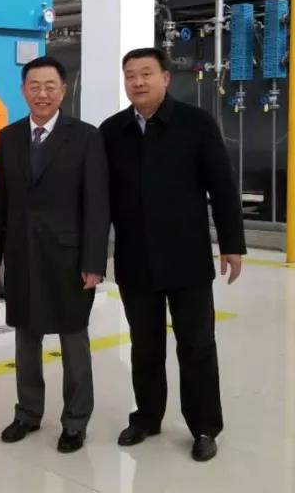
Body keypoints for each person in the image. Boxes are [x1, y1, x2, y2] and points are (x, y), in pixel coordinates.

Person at [99, 47, 245, 463]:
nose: (138, 82)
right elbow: (100, 198)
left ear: (165, 78)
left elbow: (222, 186)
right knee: (144, 345)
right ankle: (147, 417)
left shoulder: (196, 125)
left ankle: (204, 426)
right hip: (135, 258)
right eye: (130, 75)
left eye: (146, 73)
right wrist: (94, 254)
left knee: (196, 345)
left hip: (187, 258)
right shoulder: (112, 131)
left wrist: (232, 244)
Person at [0, 55, 110, 454]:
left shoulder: (85, 137)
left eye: (50, 86)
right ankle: (28, 412)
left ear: (63, 90)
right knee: (26, 337)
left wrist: (94, 261)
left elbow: (97, 205)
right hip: (22, 254)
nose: (42, 94)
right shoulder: (9, 137)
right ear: (23, 90)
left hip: (69, 257)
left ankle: (76, 420)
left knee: (73, 339)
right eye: (34, 86)